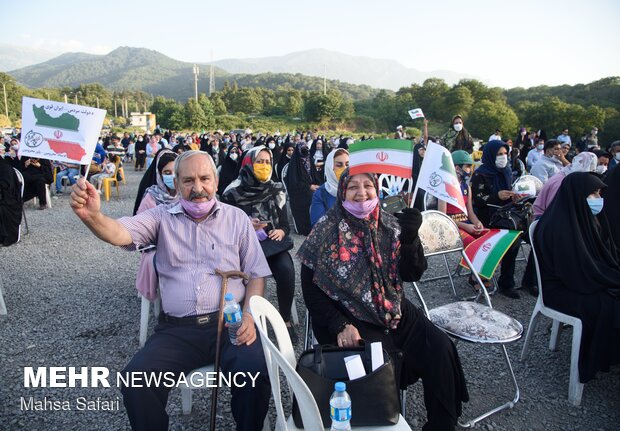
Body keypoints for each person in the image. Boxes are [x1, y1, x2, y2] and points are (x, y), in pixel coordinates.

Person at [69, 150, 271, 431]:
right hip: (178, 330)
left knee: (255, 373)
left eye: (204, 179)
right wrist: (92, 216)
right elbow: (119, 233)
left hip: (230, 324)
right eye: (188, 180)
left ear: (215, 180)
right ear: (175, 183)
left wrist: (249, 315)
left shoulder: (237, 219)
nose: (197, 188)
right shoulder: (159, 217)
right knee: (136, 380)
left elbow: (257, 274)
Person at [298, 169, 468, 431]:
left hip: (393, 309)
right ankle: (383, 422)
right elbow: (311, 290)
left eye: (367, 185)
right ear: (342, 192)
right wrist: (340, 325)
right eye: (353, 186)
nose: (361, 192)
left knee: (439, 347)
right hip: (347, 317)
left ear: (376, 190)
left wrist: (411, 239)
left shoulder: (390, 224)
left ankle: (441, 425)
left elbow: (413, 273)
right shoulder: (325, 230)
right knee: (379, 366)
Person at [534, 172, 620, 384]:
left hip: (582, 280)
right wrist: (611, 280)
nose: (597, 198)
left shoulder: (587, 218)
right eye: (592, 193)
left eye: (599, 193)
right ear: (575, 194)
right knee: (610, 304)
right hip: (561, 289)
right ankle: (599, 360)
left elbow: (604, 256)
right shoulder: (558, 227)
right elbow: (575, 273)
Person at [222, 146, 298, 341]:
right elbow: (224, 227)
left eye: (267, 162)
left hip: (272, 246)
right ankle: (246, 319)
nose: (264, 166)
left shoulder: (276, 189)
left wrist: (281, 231)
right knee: (248, 277)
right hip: (243, 248)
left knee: (286, 270)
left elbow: (285, 224)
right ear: (248, 163)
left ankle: (285, 319)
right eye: (259, 162)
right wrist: (247, 225)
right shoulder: (232, 192)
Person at [470, 140, 522, 298]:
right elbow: (477, 200)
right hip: (486, 216)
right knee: (499, 241)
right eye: (499, 154)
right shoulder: (481, 174)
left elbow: (507, 194)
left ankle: (507, 283)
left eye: (505, 153)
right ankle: (478, 275)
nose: (503, 157)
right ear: (491, 155)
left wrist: (514, 197)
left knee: (514, 241)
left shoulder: (506, 171)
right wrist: (497, 196)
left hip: (504, 214)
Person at [134, 150, 178, 301]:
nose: (172, 176)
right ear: (159, 174)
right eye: (167, 172)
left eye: (175, 171)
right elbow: (141, 231)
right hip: (158, 246)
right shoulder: (152, 197)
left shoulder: (187, 194)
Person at [284, 141, 321, 235]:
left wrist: (317, 185)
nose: (305, 151)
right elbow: (294, 183)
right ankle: (307, 227)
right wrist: (309, 186)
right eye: (302, 149)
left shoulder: (309, 161)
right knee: (309, 197)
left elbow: (315, 177)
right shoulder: (294, 164)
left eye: (306, 149)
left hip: (311, 189)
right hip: (299, 193)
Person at [310, 148, 349, 226]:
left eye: (347, 165)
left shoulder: (357, 189)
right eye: (339, 165)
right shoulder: (321, 193)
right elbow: (317, 226)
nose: (345, 169)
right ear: (330, 167)